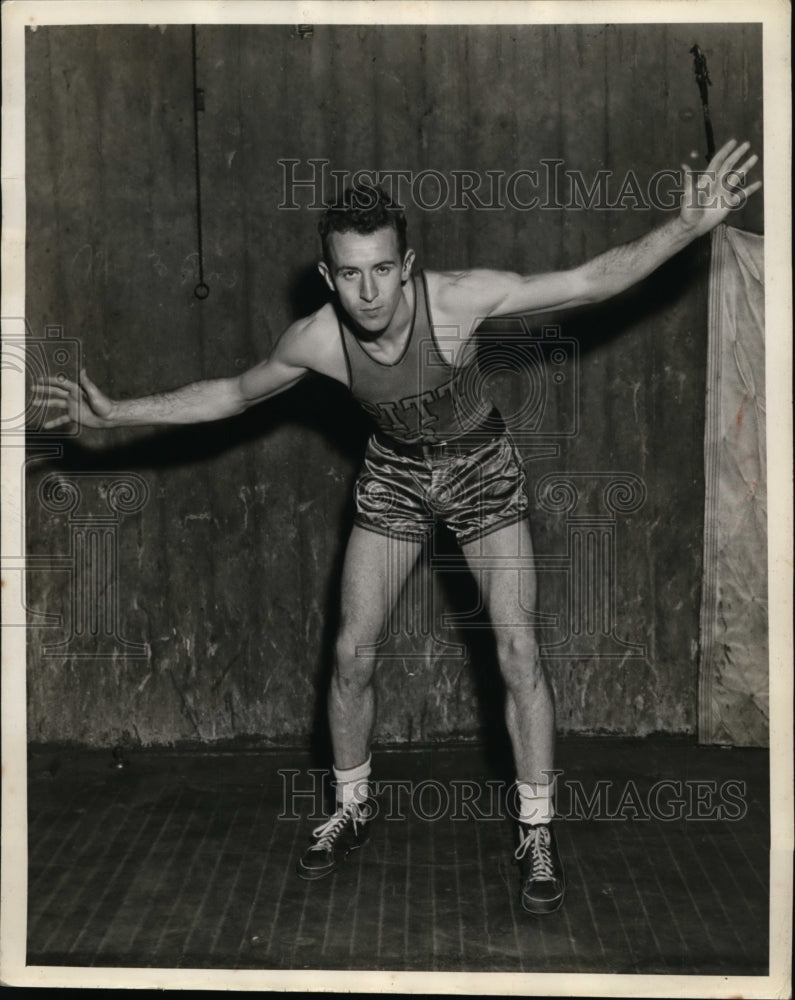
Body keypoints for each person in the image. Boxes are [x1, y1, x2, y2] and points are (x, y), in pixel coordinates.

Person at [41, 138, 760, 916]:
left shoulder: (456, 299)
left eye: (383, 268)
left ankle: (537, 827)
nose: (369, 290)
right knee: (351, 650)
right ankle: (351, 806)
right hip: (394, 476)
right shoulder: (317, 339)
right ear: (329, 277)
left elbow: (589, 282)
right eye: (350, 274)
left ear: (407, 265)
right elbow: (231, 395)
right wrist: (117, 414)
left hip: (482, 470)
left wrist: (685, 228)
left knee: (517, 647)